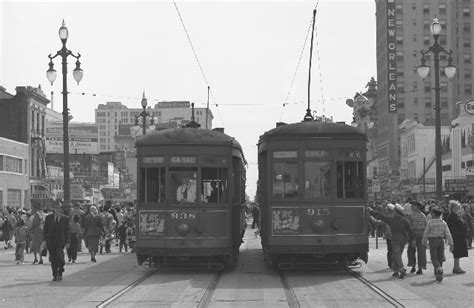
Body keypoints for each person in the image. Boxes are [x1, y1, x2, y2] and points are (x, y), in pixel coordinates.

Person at [368, 203, 414, 279]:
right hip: (403, 239)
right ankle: (396, 271)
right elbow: (410, 231)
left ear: (395, 212)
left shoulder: (391, 219)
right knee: (398, 255)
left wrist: (371, 211)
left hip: (395, 239)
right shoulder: (404, 220)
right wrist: (412, 240)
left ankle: (402, 269)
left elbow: (381, 216)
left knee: (396, 255)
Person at [422, 206, 453, 282]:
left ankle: (438, 269)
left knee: (434, 257)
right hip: (441, 240)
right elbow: (448, 233)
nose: (431, 214)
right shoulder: (443, 222)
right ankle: (438, 274)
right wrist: (451, 243)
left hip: (433, 240)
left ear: (435, 214)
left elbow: (426, 233)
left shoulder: (430, 222)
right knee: (440, 257)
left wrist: (424, 242)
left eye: (432, 213)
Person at [42, 202, 70, 281]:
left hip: (60, 241)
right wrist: (44, 240)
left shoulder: (65, 218)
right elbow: (45, 229)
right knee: (53, 258)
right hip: (51, 241)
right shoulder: (48, 218)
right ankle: (55, 274)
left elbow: (67, 231)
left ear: (61, 209)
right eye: (56, 208)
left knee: (60, 257)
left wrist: (67, 242)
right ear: (54, 209)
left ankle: (60, 271)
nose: (57, 209)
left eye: (59, 208)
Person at [446, 200, 468, 274]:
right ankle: (456, 267)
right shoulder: (451, 216)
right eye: (457, 207)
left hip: (459, 235)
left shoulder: (456, 215)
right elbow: (452, 227)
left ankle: (457, 267)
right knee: (457, 252)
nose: (458, 208)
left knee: (458, 252)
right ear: (453, 208)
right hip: (456, 236)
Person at [406, 201, 427, 274]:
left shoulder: (412, 215)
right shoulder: (423, 215)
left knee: (411, 251)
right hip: (422, 234)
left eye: (413, 205)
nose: (412, 206)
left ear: (418, 207)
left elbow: (409, 226)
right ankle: (420, 267)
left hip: (414, 234)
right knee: (421, 252)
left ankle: (413, 266)